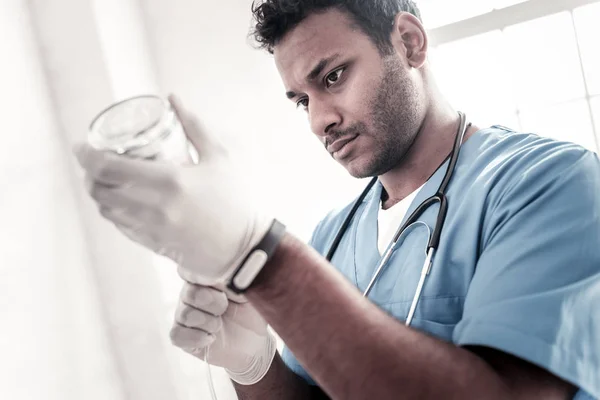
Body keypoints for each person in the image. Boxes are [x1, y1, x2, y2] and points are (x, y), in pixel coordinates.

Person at [74, 0, 600, 398]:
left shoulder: (548, 183)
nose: (318, 120)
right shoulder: (332, 236)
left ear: (410, 42)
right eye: (301, 99)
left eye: (333, 77)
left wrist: (260, 258)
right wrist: (254, 367)